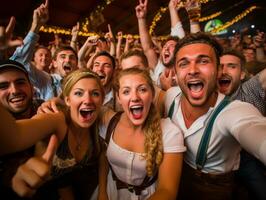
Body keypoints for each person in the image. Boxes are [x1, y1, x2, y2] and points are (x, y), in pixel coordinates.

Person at [164, 32, 266, 200]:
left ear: (219, 69)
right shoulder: (170, 97)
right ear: (175, 72)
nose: (193, 70)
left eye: (203, 61)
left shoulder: (234, 112)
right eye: (184, 64)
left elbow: (255, 130)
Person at [0, 69, 105, 199]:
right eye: (78, 93)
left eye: (95, 93)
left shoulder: (96, 123)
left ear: (102, 100)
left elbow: (103, 156)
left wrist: (103, 192)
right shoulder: (57, 120)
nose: (88, 100)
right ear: (68, 100)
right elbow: (12, 137)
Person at [98, 68, 185, 199]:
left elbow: (167, 190)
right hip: (111, 192)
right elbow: (103, 156)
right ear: (119, 98)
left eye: (142, 89)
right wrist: (102, 193)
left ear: (152, 94)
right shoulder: (109, 121)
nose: (135, 97)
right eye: (126, 91)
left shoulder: (170, 133)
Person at [218, 48, 266, 200]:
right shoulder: (207, 94)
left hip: (249, 159)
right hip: (220, 162)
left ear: (242, 74)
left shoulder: (250, 89)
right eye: (220, 66)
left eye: (231, 66)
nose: (223, 71)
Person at [10, 0, 78, 100]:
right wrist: (36, 26)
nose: (67, 60)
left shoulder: (80, 84)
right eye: (63, 57)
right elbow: (19, 63)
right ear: (54, 63)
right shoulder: (47, 80)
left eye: (72, 58)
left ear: (76, 64)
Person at [0, 59, 44, 199]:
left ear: (31, 87)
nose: (14, 90)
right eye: (3, 86)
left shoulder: (44, 109)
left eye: (20, 82)